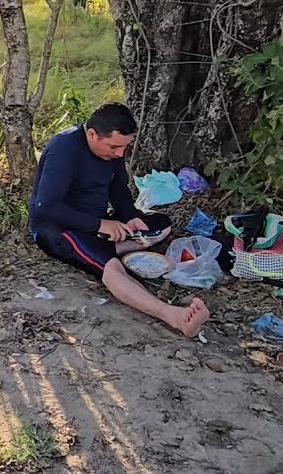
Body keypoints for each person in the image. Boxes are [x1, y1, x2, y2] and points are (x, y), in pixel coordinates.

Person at [29, 103, 209, 337]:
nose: (119, 154)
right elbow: (47, 206)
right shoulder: (63, 149)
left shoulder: (113, 151)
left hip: (97, 222)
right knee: (111, 267)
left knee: (160, 224)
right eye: (114, 147)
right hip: (57, 228)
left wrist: (131, 217)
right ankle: (174, 317)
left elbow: (119, 190)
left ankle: (110, 246)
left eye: (124, 147)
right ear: (92, 134)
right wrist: (101, 225)